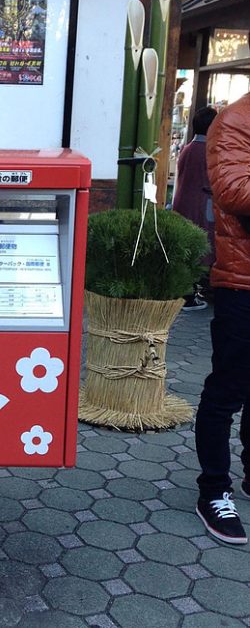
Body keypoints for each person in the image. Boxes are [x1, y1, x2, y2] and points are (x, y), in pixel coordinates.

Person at [195, 91, 250, 545]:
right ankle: (214, 489)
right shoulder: (234, 120)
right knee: (227, 390)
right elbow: (233, 189)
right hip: (242, 282)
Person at [172, 106, 218, 310]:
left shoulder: (188, 148)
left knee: (186, 248)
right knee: (201, 249)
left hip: (184, 202)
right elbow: (212, 182)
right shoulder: (209, 151)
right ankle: (189, 296)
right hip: (202, 206)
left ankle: (187, 292)